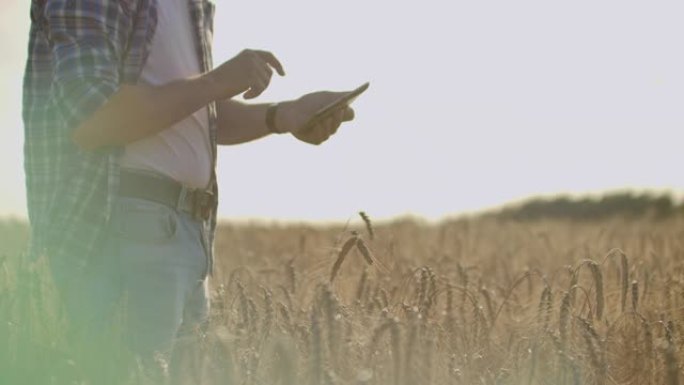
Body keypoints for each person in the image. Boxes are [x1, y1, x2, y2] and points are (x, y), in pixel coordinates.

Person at [23, 0, 355, 378]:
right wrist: (216, 83)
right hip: (126, 231)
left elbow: (191, 113)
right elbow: (92, 115)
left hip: (190, 232)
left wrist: (280, 115)